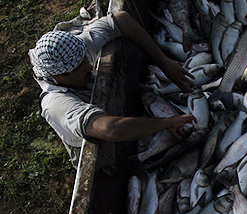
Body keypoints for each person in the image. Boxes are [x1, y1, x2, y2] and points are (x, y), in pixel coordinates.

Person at [29, 10, 197, 168]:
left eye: (85, 59)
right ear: (59, 77)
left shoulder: (78, 50)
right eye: (78, 68)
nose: (88, 66)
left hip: (118, 120)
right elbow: (110, 129)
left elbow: (120, 18)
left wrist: (164, 62)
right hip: (96, 141)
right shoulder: (56, 104)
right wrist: (166, 122)